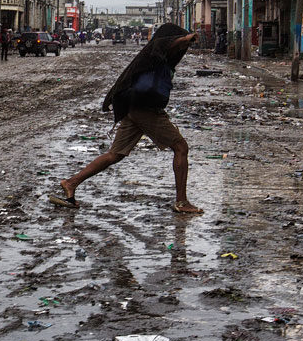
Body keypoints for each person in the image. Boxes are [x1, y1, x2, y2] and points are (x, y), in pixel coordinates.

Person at [49, 23, 203, 214]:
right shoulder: (155, 53)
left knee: (115, 154)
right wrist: (186, 39)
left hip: (133, 108)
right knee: (181, 147)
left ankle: (71, 183)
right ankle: (181, 202)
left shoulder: (159, 59)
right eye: (180, 45)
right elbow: (165, 44)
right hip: (144, 109)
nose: (182, 50)